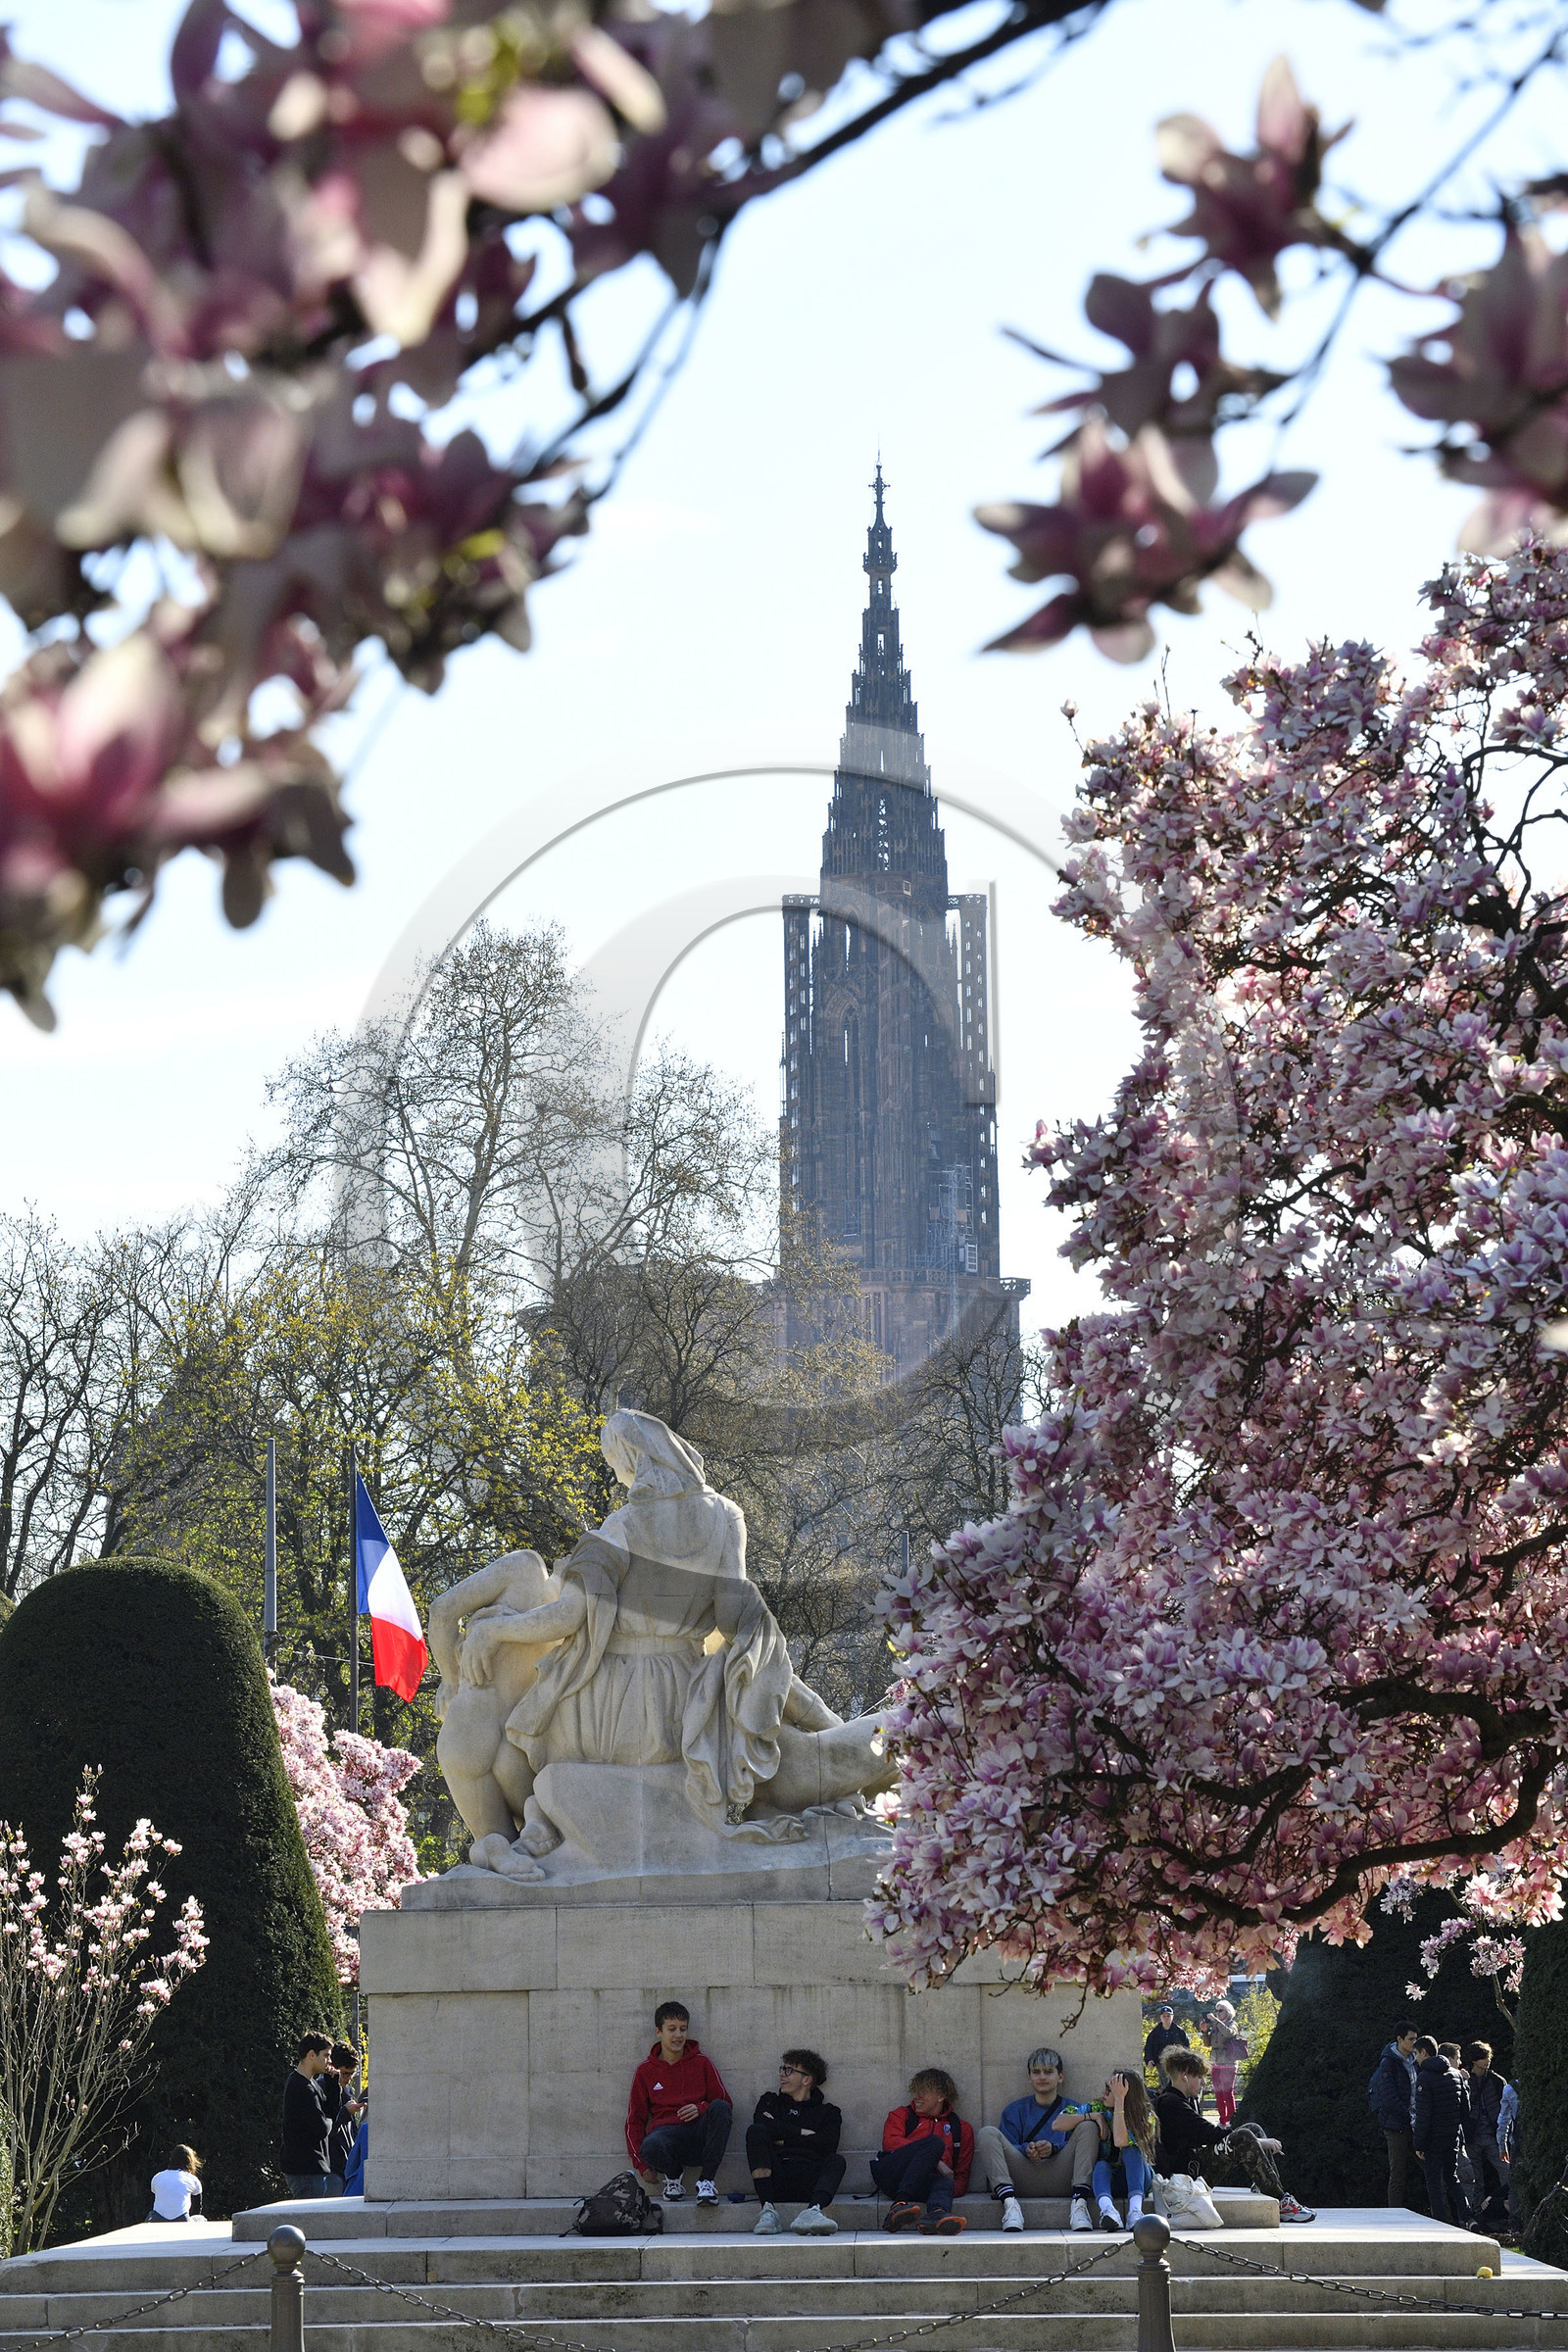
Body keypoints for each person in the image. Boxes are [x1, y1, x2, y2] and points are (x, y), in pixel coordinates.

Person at [1153, 2047, 1315, 2224]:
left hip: (1195, 2163)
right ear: (1185, 2076)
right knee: (1244, 2136)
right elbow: (1211, 2133)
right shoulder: (1172, 2103)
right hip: (1186, 2175)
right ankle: (1281, 2200)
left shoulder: (1184, 2099)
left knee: (1252, 2128)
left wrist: (1256, 2140)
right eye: (1199, 2077)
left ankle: (1268, 2188)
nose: (1203, 2083)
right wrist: (1260, 2143)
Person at [973, 2046, 1103, 2234]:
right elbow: (1006, 2147)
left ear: (1060, 2076)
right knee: (987, 2133)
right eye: (1036, 2072)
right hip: (1023, 2177)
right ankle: (1010, 2205)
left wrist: (1054, 2148)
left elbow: (1081, 2150)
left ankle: (1080, 2204)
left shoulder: (1074, 2109)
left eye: (1048, 2072)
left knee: (1088, 2125)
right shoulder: (1014, 2110)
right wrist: (1027, 2149)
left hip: (1064, 2177)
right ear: (1029, 2077)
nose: (1042, 2077)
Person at [626, 2000, 732, 2205]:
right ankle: (673, 2177)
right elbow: (634, 2120)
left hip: (700, 2136)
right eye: (672, 2029)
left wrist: (700, 2108)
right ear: (658, 2031)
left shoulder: (702, 2063)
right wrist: (640, 2164)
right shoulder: (645, 2071)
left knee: (720, 2108)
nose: (678, 2035)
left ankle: (706, 2182)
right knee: (649, 2146)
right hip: (667, 2138)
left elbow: (725, 2102)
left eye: (683, 2029)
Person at [747, 2048, 844, 2236]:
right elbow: (762, 2126)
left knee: (837, 2161)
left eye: (789, 2070)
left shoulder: (829, 2113)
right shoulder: (770, 2101)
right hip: (775, 2176)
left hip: (809, 2179)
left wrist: (782, 2140)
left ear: (807, 2079)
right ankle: (768, 2211)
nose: (782, 2074)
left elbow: (827, 2144)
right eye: (782, 2069)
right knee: (756, 2132)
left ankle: (813, 2211)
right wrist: (802, 2133)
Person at [871, 2068, 973, 2236]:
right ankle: (898, 2205)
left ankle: (936, 2214)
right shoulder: (901, 2115)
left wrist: (941, 2191)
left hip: (924, 2183)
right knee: (935, 2143)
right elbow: (890, 2143)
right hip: (893, 2176)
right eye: (915, 2091)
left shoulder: (961, 2128)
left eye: (923, 2092)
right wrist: (937, 2161)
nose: (916, 2097)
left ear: (941, 2096)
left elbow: (961, 2177)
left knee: (945, 2182)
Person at [1092, 2072, 1155, 2232]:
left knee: (1131, 2150)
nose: (1103, 2093)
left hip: (1140, 2179)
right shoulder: (1101, 2108)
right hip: (1113, 2179)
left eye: (1110, 2089)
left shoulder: (1146, 2117)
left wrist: (1119, 2101)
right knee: (1100, 2165)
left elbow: (1121, 2141)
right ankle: (1108, 2210)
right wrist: (1092, 2116)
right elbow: (1058, 2123)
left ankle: (1135, 2211)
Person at [1412, 2034, 1465, 2226]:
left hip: (1433, 2140)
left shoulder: (1424, 2078)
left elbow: (1423, 2115)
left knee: (1433, 2183)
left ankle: (1440, 2222)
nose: (1415, 2058)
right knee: (1453, 2177)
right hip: (1452, 2136)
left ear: (1424, 2052)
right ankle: (1468, 2217)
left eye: (1417, 2053)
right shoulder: (1455, 2074)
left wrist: (1418, 2143)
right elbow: (1465, 2110)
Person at [281, 2033, 341, 2198]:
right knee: (307, 2222)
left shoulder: (312, 2084)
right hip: (305, 2171)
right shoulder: (300, 2087)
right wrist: (328, 2121)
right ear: (311, 2055)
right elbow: (322, 2128)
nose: (330, 2061)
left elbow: (331, 2114)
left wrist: (332, 2084)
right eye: (326, 2055)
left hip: (313, 2169)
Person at [1368, 2024, 1419, 2208]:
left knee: (1430, 2170)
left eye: (1415, 2038)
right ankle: (1394, 2213)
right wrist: (1408, 2117)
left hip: (1416, 2122)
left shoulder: (1416, 2060)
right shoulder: (1388, 2063)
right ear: (1399, 2039)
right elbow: (1389, 2096)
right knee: (1397, 2172)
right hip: (1396, 2124)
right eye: (1410, 2039)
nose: (1414, 2042)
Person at [1463, 2041, 1510, 2229]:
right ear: (1475, 2060)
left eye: (1488, 2056)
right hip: (1472, 2135)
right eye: (1483, 2057)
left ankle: (1509, 2210)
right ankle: (1475, 2216)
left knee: (1506, 2172)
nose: (1487, 2060)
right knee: (1475, 2180)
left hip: (1491, 2133)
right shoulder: (1465, 2080)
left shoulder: (1497, 2081)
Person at [324, 2042, 365, 2193]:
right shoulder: (323, 2087)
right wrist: (345, 2113)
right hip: (331, 2167)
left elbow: (351, 2130)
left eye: (352, 2074)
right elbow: (323, 2129)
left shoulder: (347, 2090)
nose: (348, 2079)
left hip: (345, 2167)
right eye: (345, 2073)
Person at [1205, 2004, 1250, 2128]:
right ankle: (1222, 2120)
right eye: (1217, 2010)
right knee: (1218, 2092)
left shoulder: (1231, 2023)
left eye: (1221, 2010)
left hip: (1229, 2063)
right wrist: (1204, 2032)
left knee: (1227, 2092)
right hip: (1216, 2062)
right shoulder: (1215, 2025)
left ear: (1228, 2011)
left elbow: (1229, 2033)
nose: (1218, 2013)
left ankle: (1232, 2119)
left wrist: (1216, 2021)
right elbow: (1208, 2043)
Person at [148, 2146, 203, 2223]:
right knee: (201, 2219)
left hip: (157, 2219)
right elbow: (197, 2207)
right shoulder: (193, 2180)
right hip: (182, 2219)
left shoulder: (157, 2177)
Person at [1143, 2006, 1188, 2073]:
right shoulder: (1155, 2032)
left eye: (1168, 2016)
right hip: (1161, 2064)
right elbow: (1148, 2047)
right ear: (1160, 2017)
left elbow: (1186, 2046)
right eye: (1164, 2016)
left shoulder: (1179, 2031)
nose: (1166, 2018)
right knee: (1164, 2083)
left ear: (1173, 2016)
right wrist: (1149, 2059)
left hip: (1177, 2064)